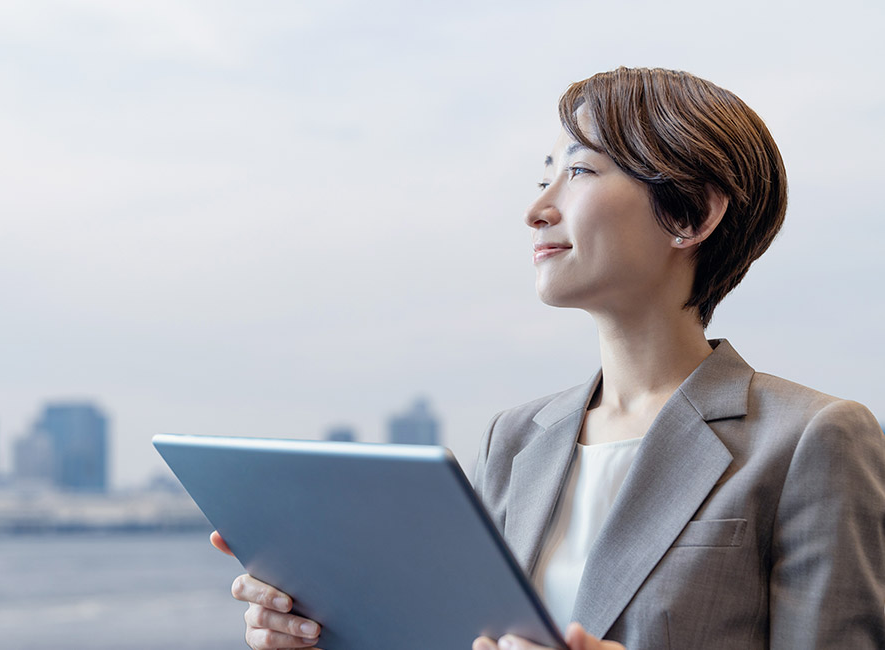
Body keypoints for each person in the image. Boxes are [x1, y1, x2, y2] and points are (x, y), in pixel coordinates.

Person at [212, 67, 885, 649]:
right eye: (543, 179)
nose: (537, 210)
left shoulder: (813, 439)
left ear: (692, 214)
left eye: (580, 172)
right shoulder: (515, 440)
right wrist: (322, 631)